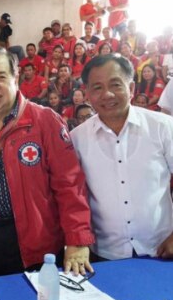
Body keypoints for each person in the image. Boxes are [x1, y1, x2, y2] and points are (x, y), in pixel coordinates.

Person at [0, 47, 95, 279]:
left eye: (1, 77)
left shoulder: (45, 121)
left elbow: (70, 184)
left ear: (15, 77)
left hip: (34, 243)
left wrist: (77, 240)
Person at [71, 54, 173, 261]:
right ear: (87, 94)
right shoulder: (76, 139)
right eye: (97, 88)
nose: (107, 94)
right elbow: (72, 195)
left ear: (132, 88)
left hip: (161, 249)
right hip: (105, 254)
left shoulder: (163, 127)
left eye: (115, 84)